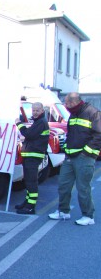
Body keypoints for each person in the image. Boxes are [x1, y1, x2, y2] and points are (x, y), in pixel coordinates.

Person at [48, 92, 101, 225]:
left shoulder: (93, 113)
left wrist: (86, 153)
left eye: (67, 103)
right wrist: (66, 147)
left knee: (83, 188)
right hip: (70, 156)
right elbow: (71, 133)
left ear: (74, 102)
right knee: (63, 185)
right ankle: (63, 211)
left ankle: (88, 216)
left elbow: (99, 135)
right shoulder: (74, 114)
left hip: (84, 158)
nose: (66, 106)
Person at [14, 102, 50, 214]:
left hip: (33, 156)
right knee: (29, 181)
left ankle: (30, 207)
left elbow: (28, 134)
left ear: (42, 111)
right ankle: (27, 203)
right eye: (33, 110)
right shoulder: (39, 122)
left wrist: (19, 124)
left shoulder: (41, 122)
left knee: (31, 182)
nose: (35, 112)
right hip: (31, 156)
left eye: (37, 110)